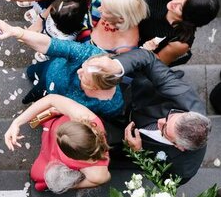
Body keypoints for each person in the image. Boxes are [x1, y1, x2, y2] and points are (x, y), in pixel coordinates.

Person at [89, 50, 211, 184]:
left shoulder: (184, 168)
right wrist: (116, 66)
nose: (160, 121)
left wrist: (138, 152)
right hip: (134, 102)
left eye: (164, 129)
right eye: (170, 117)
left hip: (125, 146)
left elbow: (163, 181)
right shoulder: (183, 95)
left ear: (179, 147)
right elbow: (148, 59)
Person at [0, 18, 123, 118]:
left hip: (56, 106)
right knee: (31, 72)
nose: (78, 71)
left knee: (34, 97)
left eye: (84, 77)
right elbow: (50, 44)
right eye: (83, 66)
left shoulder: (110, 105)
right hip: (50, 70)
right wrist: (17, 32)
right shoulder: (88, 54)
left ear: (95, 87)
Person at [25, 0, 149, 54]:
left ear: (120, 18)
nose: (99, 8)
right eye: (102, 3)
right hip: (72, 23)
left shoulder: (125, 47)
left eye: (105, 10)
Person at [4, 94, 110, 192]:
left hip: (54, 158)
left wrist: (60, 184)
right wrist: (16, 123)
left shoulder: (98, 174)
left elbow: (76, 184)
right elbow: (51, 99)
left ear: (72, 156)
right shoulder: (84, 116)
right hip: (54, 125)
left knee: (36, 175)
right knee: (37, 118)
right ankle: (48, 122)